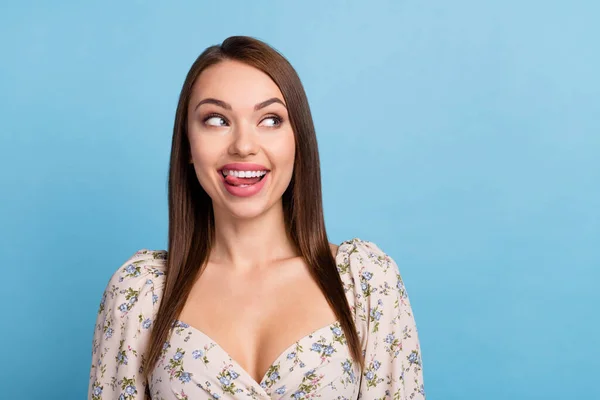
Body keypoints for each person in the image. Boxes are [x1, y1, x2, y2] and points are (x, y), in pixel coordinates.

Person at [87, 35, 425, 400]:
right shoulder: (139, 295)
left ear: (299, 140)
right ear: (187, 144)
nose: (244, 145)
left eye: (270, 119)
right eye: (216, 120)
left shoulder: (368, 284)